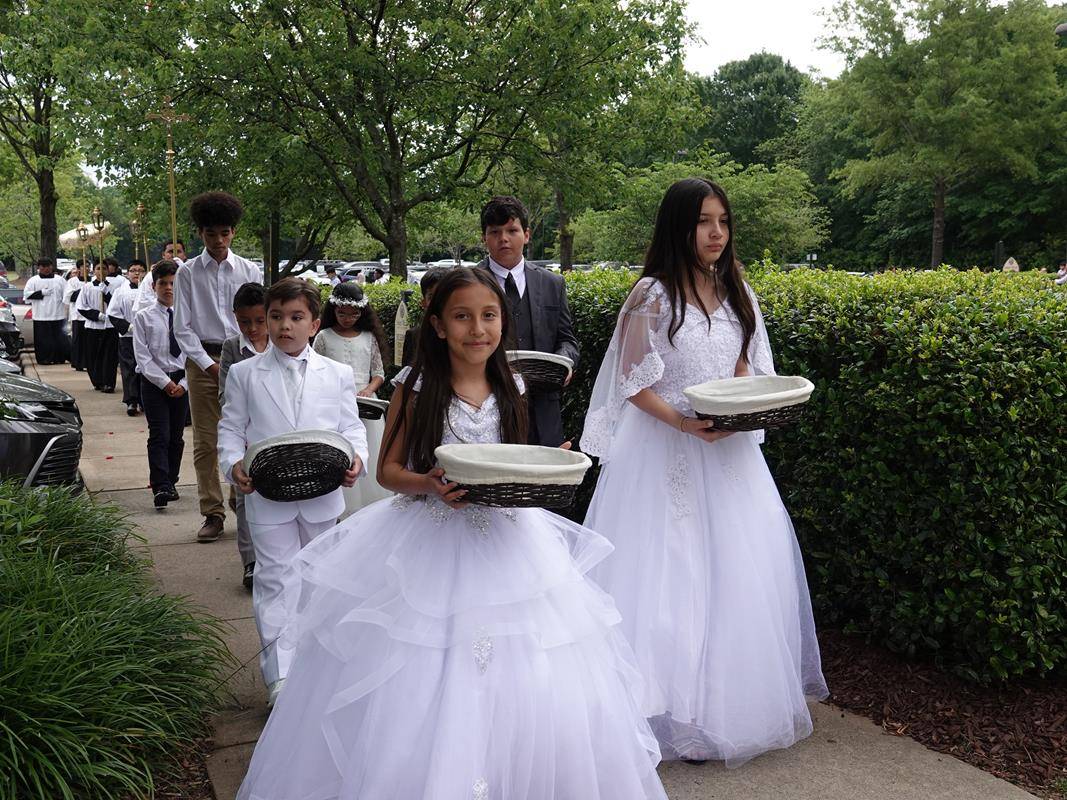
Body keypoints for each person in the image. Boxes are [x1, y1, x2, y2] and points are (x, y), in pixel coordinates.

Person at [235, 268, 667, 800]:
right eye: (462, 317)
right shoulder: (416, 386)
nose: (477, 329)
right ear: (438, 325)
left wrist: (543, 464)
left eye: (489, 316)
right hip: (429, 535)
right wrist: (428, 484)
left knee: (533, 662)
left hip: (510, 540)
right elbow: (388, 470)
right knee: (419, 667)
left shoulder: (513, 383)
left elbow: (510, 458)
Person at [580, 178, 827, 766]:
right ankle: (667, 713)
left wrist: (740, 408)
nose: (716, 233)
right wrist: (686, 423)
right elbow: (633, 380)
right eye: (702, 222)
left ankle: (723, 710)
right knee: (670, 575)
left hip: (729, 450)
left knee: (739, 572)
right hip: (666, 449)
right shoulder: (652, 295)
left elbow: (747, 365)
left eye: (722, 221)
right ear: (678, 227)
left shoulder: (738, 286)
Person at [218, 277, 367, 706]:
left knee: (319, 580)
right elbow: (230, 428)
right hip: (267, 497)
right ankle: (279, 676)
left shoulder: (337, 374)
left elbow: (350, 425)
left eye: (296, 317)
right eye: (276, 317)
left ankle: (317, 664)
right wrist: (234, 465)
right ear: (265, 321)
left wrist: (357, 457)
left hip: (322, 494)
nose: (285, 326)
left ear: (315, 324)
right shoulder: (245, 375)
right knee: (275, 579)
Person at [173, 192, 261, 544]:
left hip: (244, 356)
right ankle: (212, 511)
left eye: (225, 233)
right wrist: (210, 365)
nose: (219, 241)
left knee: (247, 432)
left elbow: (259, 318)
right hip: (203, 360)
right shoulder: (187, 273)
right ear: (201, 233)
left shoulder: (249, 270)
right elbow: (182, 327)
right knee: (206, 440)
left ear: (233, 232)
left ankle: (242, 499)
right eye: (212, 234)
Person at [478, 195, 579, 447]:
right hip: (486, 403)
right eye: (495, 232)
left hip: (543, 407)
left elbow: (567, 339)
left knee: (544, 480)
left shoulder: (552, 283)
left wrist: (565, 362)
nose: (504, 238)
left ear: (527, 234)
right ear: (484, 238)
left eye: (512, 230)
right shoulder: (468, 282)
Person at [312, 281, 392, 512]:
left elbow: (378, 373)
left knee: (369, 449)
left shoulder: (369, 338)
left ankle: (370, 506)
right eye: (342, 313)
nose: (347, 318)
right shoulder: (324, 337)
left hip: (366, 403)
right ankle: (342, 507)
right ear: (333, 310)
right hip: (332, 402)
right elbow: (315, 370)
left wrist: (368, 389)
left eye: (353, 314)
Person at [219, 282, 271, 591]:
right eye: (244, 322)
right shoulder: (231, 349)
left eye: (259, 321)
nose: (252, 328)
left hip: (277, 433)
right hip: (246, 434)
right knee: (244, 496)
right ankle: (250, 560)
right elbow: (225, 396)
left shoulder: (283, 343)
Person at [133, 260, 189, 510]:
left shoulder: (189, 318)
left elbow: (194, 352)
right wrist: (165, 383)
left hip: (183, 380)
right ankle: (160, 484)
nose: (168, 288)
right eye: (163, 283)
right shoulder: (143, 317)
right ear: (154, 286)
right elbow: (143, 358)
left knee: (176, 436)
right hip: (154, 382)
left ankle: (171, 478)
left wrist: (185, 383)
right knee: (159, 434)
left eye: (173, 284)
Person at [107, 260, 147, 415]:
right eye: (133, 270)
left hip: (147, 337)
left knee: (145, 368)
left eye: (140, 270)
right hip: (128, 336)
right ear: (127, 273)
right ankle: (132, 400)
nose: (137, 273)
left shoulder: (150, 290)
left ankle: (145, 399)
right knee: (129, 368)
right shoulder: (120, 291)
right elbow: (113, 313)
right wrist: (127, 326)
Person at [75, 260, 118, 392]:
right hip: (93, 326)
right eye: (99, 268)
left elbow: (117, 304)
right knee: (93, 355)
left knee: (109, 356)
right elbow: (81, 306)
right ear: (94, 271)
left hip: (109, 326)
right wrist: (97, 315)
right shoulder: (87, 287)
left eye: (104, 268)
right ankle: (97, 380)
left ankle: (109, 382)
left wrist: (107, 294)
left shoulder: (113, 287)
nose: (102, 271)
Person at [23, 257, 69, 365]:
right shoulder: (33, 280)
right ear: (39, 268)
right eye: (43, 266)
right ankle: (44, 358)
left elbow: (66, 295)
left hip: (58, 314)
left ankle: (59, 358)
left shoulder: (60, 280)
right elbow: (26, 296)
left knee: (58, 338)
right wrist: (41, 292)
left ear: (52, 267)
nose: (46, 269)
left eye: (48, 266)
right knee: (43, 339)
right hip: (41, 315)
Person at [401, 266, 447, 366]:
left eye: (443, 295)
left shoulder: (464, 333)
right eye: (431, 297)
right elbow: (408, 376)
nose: (437, 302)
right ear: (423, 303)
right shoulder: (414, 336)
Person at [137, 239, 186, 313]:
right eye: (170, 252)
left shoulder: (188, 275)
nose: (174, 255)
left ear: (184, 255)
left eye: (178, 252)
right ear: (163, 254)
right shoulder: (151, 276)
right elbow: (144, 300)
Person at [64, 261, 87, 370]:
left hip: (90, 316)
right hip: (77, 315)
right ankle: (78, 363)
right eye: (83, 267)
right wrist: (82, 291)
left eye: (88, 266)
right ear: (78, 269)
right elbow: (68, 297)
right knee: (78, 340)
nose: (86, 269)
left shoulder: (93, 281)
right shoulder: (73, 281)